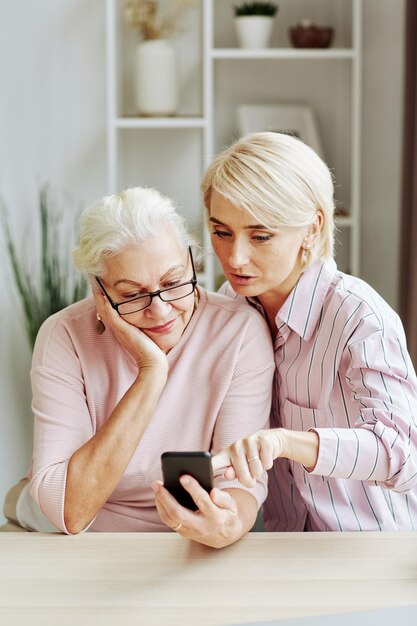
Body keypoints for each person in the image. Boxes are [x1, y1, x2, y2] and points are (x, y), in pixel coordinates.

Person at [16, 186, 275, 546]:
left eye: (173, 282)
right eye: (132, 295)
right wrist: (151, 373)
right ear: (99, 290)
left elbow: (240, 480)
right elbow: (70, 512)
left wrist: (227, 526)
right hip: (86, 540)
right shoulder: (65, 336)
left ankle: (18, 499)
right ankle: (18, 502)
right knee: (29, 506)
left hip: (189, 541)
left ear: (192, 261)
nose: (162, 310)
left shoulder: (239, 331)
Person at [202, 131, 417, 531]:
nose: (235, 257)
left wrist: (286, 443)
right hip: (284, 549)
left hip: (373, 549)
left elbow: (404, 457)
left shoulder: (360, 317)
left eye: (260, 236)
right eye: (221, 232)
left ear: (312, 228)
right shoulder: (230, 303)